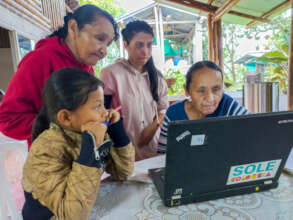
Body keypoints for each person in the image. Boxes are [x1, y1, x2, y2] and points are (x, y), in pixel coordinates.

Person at [21, 68, 135, 220]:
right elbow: (73, 215)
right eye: (97, 106)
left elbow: (123, 173)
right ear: (66, 117)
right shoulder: (45, 149)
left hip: (82, 204)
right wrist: (90, 150)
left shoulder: (90, 133)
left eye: (103, 105)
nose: (105, 112)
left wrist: (117, 130)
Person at [0, 4, 119, 147]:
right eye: (100, 38)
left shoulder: (87, 69)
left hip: (84, 159)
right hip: (52, 162)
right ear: (73, 27)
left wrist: (101, 114)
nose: (104, 51)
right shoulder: (39, 60)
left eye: (108, 44)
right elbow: (7, 120)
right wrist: (63, 125)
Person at [100, 20, 169, 161]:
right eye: (139, 45)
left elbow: (163, 109)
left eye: (149, 45)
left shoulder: (157, 77)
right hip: (122, 150)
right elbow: (103, 114)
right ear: (126, 45)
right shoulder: (111, 74)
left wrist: (152, 127)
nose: (145, 51)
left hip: (153, 148)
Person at [158, 61, 249, 152]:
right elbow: (162, 153)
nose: (210, 98)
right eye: (201, 91)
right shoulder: (173, 114)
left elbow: (254, 127)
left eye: (216, 89)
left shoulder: (226, 104)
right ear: (187, 90)